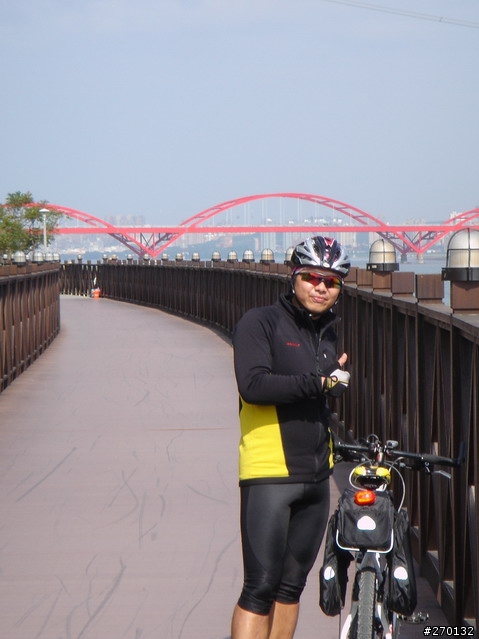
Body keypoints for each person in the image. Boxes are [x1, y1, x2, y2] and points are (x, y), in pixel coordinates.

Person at [230, 236, 351, 639]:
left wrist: (326, 386)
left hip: (316, 475)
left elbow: (318, 390)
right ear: (293, 276)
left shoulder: (327, 333)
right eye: (312, 277)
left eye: (331, 282)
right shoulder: (260, 323)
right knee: (260, 586)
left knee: (290, 586)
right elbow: (253, 385)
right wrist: (319, 383)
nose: (321, 287)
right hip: (268, 472)